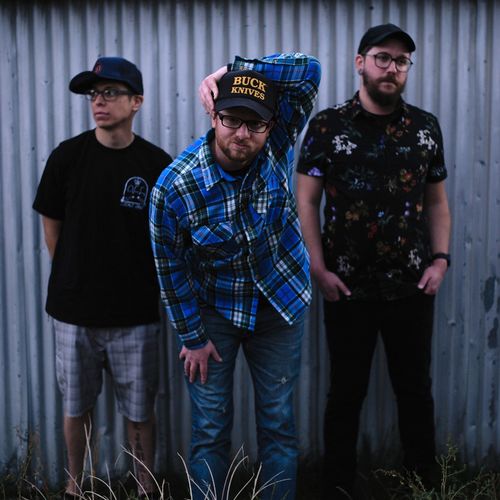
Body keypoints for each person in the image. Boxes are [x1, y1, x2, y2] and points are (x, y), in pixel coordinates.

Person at [149, 53, 321, 500]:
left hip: (280, 303)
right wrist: (192, 337)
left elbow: (309, 70)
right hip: (213, 315)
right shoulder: (175, 187)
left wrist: (234, 70)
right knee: (209, 430)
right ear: (213, 114)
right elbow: (170, 269)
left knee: (278, 424)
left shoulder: (279, 141)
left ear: (271, 125)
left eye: (255, 123)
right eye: (231, 119)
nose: (242, 133)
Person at [296, 24, 451, 499]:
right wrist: (318, 269)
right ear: (360, 62)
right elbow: (306, 201)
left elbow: (437, 202)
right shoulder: (327, 126)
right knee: (345, 394)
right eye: (383, 58)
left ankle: (422, 486)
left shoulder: (425, 127)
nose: (392, 68)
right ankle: (338, 487)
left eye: (401, 61)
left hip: (411, 285)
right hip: (347, 287)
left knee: (415, 391)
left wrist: (440, 260)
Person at [33, 57, 172, 499]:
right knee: (76, 406)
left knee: (140, 411)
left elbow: (168, 236)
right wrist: (72, 274)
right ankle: (76, 486)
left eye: (110, 92)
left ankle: (145, 486)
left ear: (137, 102)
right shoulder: (67, 157)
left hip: (135, 315)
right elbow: (51, 223)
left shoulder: (156, 164)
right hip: (74, 313)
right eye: (94, 94)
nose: (99, 101)